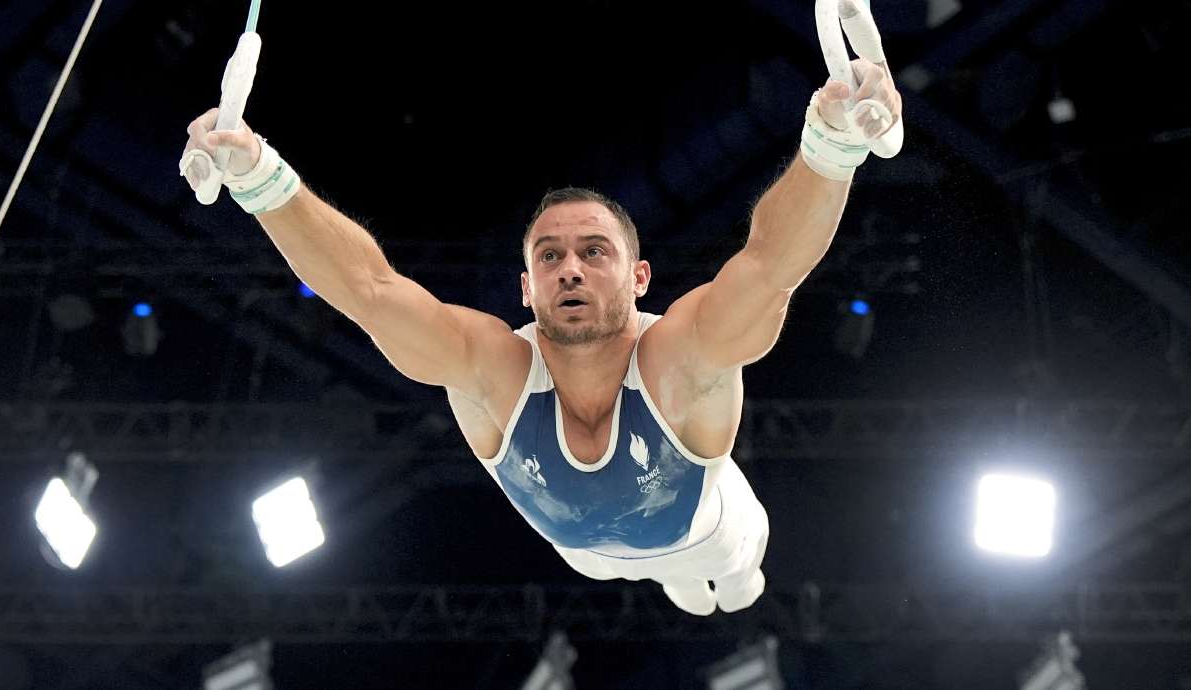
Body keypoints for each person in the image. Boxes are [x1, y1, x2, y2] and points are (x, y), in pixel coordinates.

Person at [179, 61, 902, 615]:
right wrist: (258, 175)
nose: (571, 269)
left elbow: (769, 266)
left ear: (640, 277)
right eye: (549, 257)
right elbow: (369, 291)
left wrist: (832, 142)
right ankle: (683, 582)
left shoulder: (682, 360)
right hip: (580, 552)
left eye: (595, 251)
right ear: (526, 289)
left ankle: (722, 579)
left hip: (710, 530)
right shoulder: (491, 368)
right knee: (634, 570)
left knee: (731, 582)